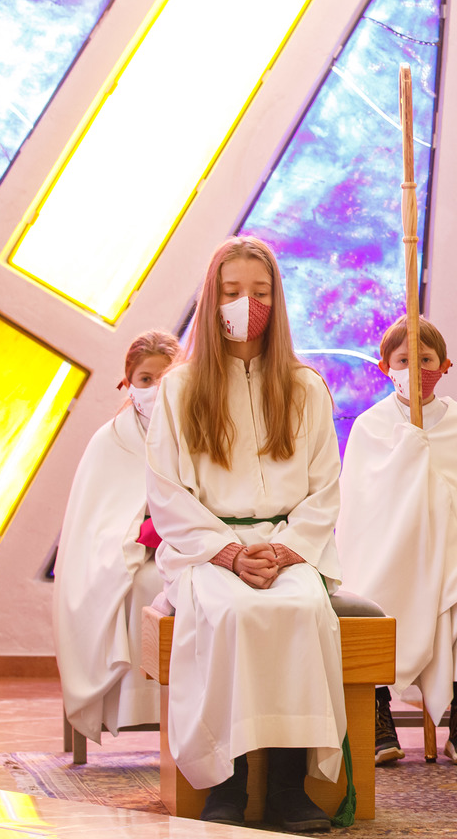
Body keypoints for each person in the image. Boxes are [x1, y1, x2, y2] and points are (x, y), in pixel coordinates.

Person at [147, 236, 348, 831]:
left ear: (276, 301)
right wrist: (229, 553)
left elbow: (325, 488)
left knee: (299, 610)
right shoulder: (180, 389)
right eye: (232, 291)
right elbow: (166, 492)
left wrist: (285, 550)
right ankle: (227, 788)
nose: (247, 304)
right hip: (207, 547)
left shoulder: (305, 387)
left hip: (289, 546)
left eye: (260, 292)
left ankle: (287, 789)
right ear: (211, 299)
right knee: (230, 613)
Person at [338, 315, 457, 768]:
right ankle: (377, 714)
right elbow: (363, 503)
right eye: (403, 360)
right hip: (389, 552)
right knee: (371, 599)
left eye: (425, 360)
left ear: (444, 366)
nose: (415, 369)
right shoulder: (371, 425)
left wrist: (430, 478)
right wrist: (408, 458)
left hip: (451, 553)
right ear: (385, 367)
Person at [54, 330, 179, 745]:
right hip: (133, 552)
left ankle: (190, 708)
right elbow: (95, 523)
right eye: (146, 379)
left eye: (165, 379)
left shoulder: (197, 431)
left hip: (188, 548)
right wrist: (143, 534)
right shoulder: (110, 440)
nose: (155, 388)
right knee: (145, 585)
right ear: (128, 382)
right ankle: (137, 705)